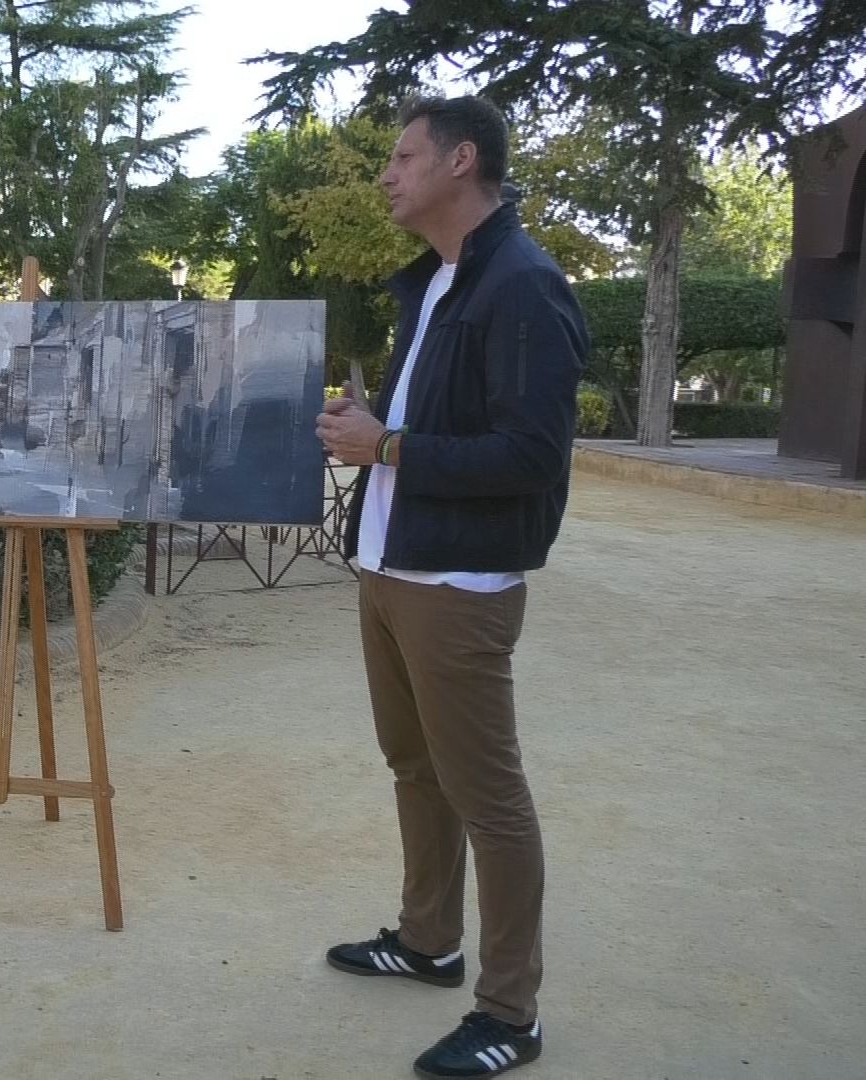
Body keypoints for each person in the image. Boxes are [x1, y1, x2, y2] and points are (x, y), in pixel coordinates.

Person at [315, 96, 587, 1079]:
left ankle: (512, 1013)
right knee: (414, 767)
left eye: (402, 155)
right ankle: (428, 942)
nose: (386, 174)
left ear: (461, 161)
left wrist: (386, 443)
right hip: (390, 568)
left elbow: (531, 454)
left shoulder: (522, 283)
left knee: (490, 799)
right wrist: (375, 419)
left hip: (458, 586)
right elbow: (433, 424)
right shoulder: (436, 282)